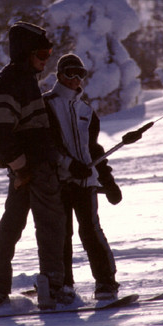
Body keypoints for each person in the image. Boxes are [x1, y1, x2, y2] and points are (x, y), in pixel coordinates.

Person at [0, 21, 66, 313]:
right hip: (33, 169)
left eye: (48, 54)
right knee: (50, 226)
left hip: (28, 168)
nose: (46, 61)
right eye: (41, 55)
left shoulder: (22, 78)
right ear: (24, 53)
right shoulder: (12, 81)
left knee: (11, 228)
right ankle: (53, 289)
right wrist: (22, 168)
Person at [43, 53, 122, 300]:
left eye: (80, 74)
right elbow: (47, 145)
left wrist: (108, 181)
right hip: (59, 183)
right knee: (61, 235)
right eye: (69, 73)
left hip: (85, 183)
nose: (75, 79)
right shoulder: (46, 104)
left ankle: (106, 283)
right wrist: (70, 165)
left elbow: (94, 149)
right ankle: (64, 285)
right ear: (59, 75)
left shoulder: (86, 110)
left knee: (91, 232)